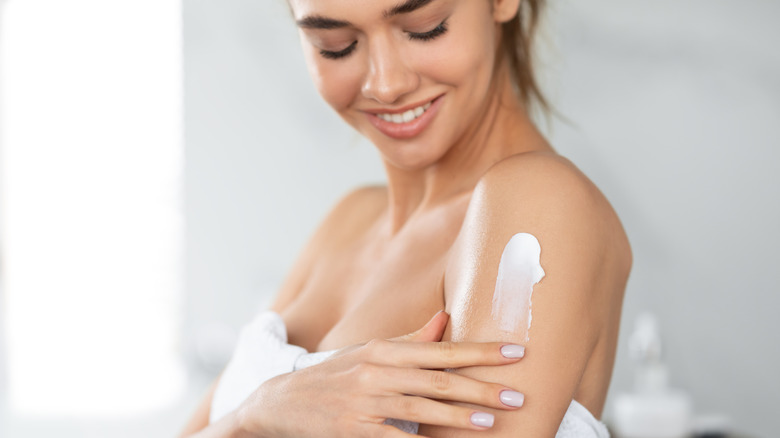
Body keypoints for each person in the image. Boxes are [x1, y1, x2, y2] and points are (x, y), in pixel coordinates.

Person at [179, 0, 632, 436]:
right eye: (335, 44)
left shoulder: (538, 205)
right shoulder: (350, 220)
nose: (386, 83)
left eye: (425, 27)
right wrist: (257, 414)